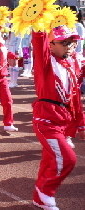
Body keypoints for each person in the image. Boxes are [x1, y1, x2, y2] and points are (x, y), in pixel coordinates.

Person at [31, 25, 85, 210]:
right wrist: (38, 21)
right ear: (51, 45)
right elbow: (38, 43)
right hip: (46, 121)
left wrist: (80, 124)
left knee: (49, 160)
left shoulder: (70, 66)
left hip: (62, 122)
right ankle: (45, 192)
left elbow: (75, 100)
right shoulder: (45, 63)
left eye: (72, 42)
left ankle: (39, 196)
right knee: (68, 158)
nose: (69, 46)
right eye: (64, 42)